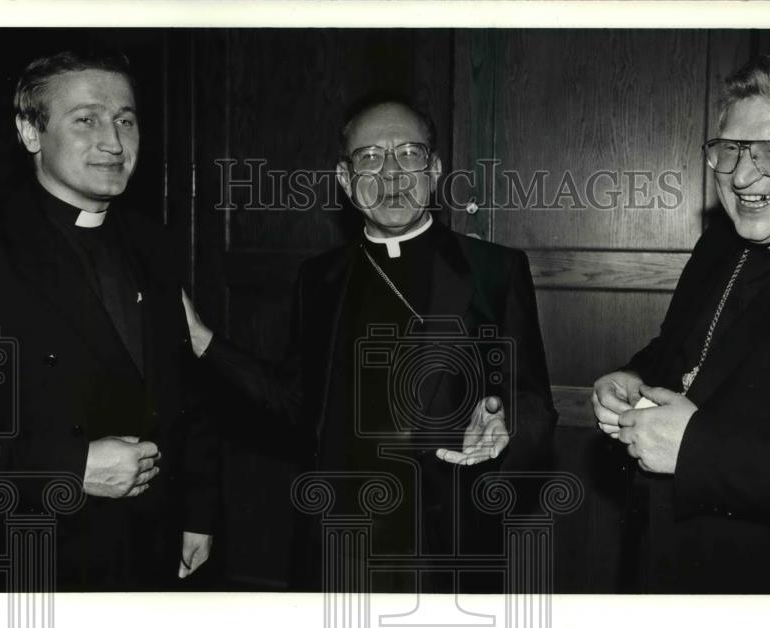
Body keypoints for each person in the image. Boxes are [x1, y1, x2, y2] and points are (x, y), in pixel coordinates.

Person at [183, 95, 557, 591]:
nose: (392, 176)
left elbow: (533, 400)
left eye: (408, 155)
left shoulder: (494, 269)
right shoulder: (319, 278)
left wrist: (507, 423)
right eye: (370, 158)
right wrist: (204, 341)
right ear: (344, 179)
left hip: (445, 542)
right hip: (338, 541)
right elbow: (295, 403)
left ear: (435, 169)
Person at [591, 45, 770, 593]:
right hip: (663, 568)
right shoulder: (722, 239)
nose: (743, 177)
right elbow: (688, 352)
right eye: (730, 149)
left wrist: (699, 451)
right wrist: (633, 378)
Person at [0, 51, 218, 591]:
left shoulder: (155, 243)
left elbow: (187, 394)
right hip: (36, 552)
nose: (113, 141)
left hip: (153, 544)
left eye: (125, 120)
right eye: (85, 119)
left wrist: (198, 512)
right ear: (29, 132)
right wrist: (69, 466)